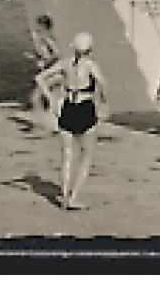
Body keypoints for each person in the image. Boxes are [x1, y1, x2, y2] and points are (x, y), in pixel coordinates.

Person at [37, 32, 107, 210]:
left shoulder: (65, 64)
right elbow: (102, 85)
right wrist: (102, 103)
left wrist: (51, 98)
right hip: (85, 109)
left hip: (68, 108)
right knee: (86, 155)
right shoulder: (90, 65)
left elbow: (40, 78)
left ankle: (64, 195)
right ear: (90, 49)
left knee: (67, 156)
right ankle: (73, 197)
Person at [26, 14, 62, 127]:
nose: (35, 28)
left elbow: (56, 53)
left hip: (53, 72)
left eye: (38, 26)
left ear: (43, 26)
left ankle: (40, 125)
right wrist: (34, 57)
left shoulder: (47, 38)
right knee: (46, 99)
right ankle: (47, 124)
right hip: (50, 72)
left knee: (36, 98)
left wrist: (46, 62)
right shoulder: (44, 38)